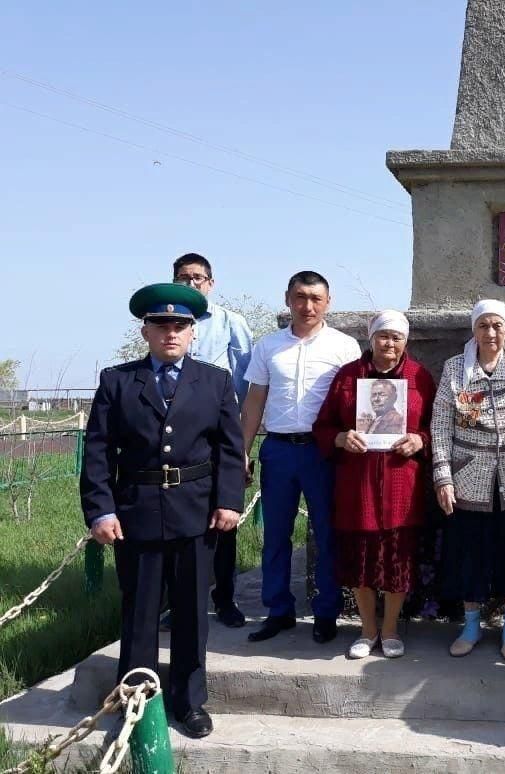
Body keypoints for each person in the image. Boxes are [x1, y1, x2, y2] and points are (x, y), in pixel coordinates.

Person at [81, 282, 244, 739]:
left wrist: (229, 501)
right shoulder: (118, 381)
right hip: (136, 514)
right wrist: (101, 511)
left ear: (192, 332)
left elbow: (230, 450)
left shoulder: (214, 381)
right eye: (160, 325)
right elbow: (98, 452)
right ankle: (137, 701)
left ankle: (189, 702)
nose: (170, 333)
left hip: (196, 514)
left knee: (193, 614)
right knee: (140, 613)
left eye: (180, 325)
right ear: (145, 331)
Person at [241, 271, 361, 644]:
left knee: (327, 533)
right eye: (299, 297)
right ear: (287, 298)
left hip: (323, 451)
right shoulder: (268, 347)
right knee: (275, 534)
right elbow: (255, 400)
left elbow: (356, 403)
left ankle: (327, 612)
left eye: (315, 298)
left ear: (328, 302)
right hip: (277, 449)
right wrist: (242, 452)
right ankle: (278, 610)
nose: (307, 306)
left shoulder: (345, 347)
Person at [312, 310, 435, 659]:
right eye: (383, 336)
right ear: (371, 338)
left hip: (400, 482)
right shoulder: (349, 376)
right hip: (358, 483)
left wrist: (419, 440)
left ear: (406, 341)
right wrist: (340, 438)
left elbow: (434, 425)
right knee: (359, 559)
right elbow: (323, 426)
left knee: (398, 557)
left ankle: (392, 628)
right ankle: (367, 630)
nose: (390, 343)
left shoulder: (418, 376)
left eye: (396, 337)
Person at [431, 299, 505, 661]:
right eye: (483, 326)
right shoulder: (454, 370)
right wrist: (443, 477)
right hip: (468, 476)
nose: (490, 334)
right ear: (473, 330)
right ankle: (472, 623)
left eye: (497, 326)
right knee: (469, 553)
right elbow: (442, 426)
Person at [169, 252, 253, 628]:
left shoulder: (230, 323)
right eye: (184, 278)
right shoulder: (166, 320)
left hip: (220, 432)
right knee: (175, 521)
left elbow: (247, 382)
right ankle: (178, 604)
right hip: (175, 437)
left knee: (224, 517)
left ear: (211, 283)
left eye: (198, 278)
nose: (191, 284)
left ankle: (225, 599)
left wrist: (240, 445)